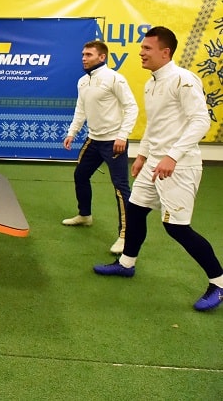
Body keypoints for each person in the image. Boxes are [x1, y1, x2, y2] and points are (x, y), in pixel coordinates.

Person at [94, 26, 223, 312]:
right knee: (136, 210)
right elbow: (155, 124)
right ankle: (126, 263)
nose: (141, 52)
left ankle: (219, 281)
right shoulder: (151, 83)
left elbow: (201, 121)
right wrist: (143, 155)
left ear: (165, 52)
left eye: (147, 48)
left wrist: (172, 156)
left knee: (176, 228)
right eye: (142, 47)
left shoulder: (183, 80)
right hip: (154, 162)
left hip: (180, 165)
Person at [62, 40, 138, 255]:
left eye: (88, 54)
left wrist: (122, 136)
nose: (84, 58)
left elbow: (131, 108)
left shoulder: (114, 78)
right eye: (83, 54)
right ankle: (85, 215)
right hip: (93, 140)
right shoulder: (82, 82)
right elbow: (81, 109)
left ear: (102, 57)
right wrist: (72, 132)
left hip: (114, 142)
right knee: (80, 175)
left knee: (120, 188)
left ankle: (125, 235)